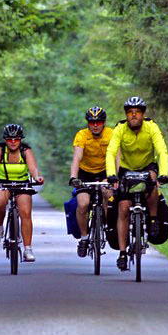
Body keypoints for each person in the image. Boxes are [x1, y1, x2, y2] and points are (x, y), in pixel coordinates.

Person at [105, 97, 168, 271]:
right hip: (126, 169)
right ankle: (123, 253)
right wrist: (111, 174)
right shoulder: (120, 128)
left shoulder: (151, 127)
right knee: (124, 207)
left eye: (137, 112)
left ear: (143, 114)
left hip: (147, 166)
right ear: (126, 115)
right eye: (130, 113)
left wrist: (164, 173)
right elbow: (111, 152)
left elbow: (162, 150)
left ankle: (154, 219)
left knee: (153, 183)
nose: (134, 116)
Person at [0, 124, 44, 262]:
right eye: (9, 139)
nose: (13, 142)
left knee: (25, 213)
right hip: (3, 182)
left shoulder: (25, 150)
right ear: (5, 140)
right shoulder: (0, 150)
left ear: (20, 140)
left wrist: (37, 177)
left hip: (22, 183)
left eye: (16, 139)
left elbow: (33, 169)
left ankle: (28, 249)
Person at [68, 106, 114, 257]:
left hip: (105, 171)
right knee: (83, 204)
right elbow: (77, 157)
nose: (95, 125)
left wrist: (115, 176)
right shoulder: (82, 135)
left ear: (104, 122)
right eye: (92, 122)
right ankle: (84, 238)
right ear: (88, 123)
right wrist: (74, 177)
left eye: (98, 122)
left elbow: (116, 156)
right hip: (85, 173)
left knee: (107, 194)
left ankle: (107, 227)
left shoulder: (111, 134)